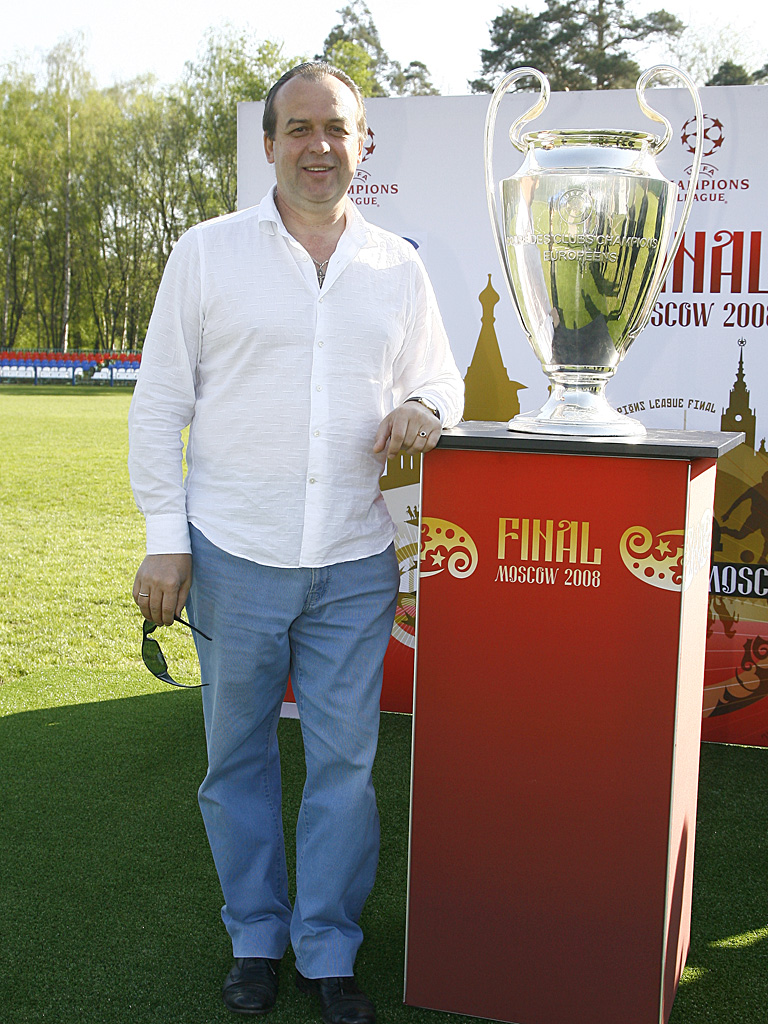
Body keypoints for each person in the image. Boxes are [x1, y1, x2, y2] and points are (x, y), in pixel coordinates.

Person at [128, 61, 463, 1023]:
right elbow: (159, 405)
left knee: (344, 768)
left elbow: (443, 380)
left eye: (338, 128)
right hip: (231, 555)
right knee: (235, 761)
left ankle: (327, 946)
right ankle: (254, 936)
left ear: (364, 144)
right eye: (301, 128)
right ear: (270, 143)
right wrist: (166, 540)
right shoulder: (206, 253)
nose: (321, 146)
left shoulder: (398, 265)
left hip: (355, 561)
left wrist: (422, 404)